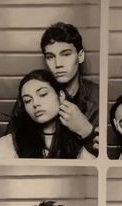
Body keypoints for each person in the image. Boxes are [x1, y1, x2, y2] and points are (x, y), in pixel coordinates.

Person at [0, 69, 95, 159]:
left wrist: (87, 132)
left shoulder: (78, 144)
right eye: (28, 100)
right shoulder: (8, 144)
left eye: (43, 94)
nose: (35, 104)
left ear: (61, 96)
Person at [40, 22, 99, 156]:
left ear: (80, 56)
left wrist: (86, 131)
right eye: (50, 57)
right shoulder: (34, 94)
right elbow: (11, 145)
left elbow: (114, 156)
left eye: (66, 54)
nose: (58, 64)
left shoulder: (100, 97)